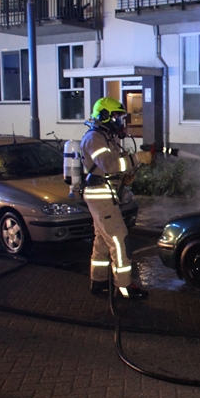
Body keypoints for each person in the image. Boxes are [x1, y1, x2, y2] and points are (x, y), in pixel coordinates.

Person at [81, 97, 152, 299]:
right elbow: (109, 165)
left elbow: (111, 168)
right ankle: (124, 285)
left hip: (104, 193)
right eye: (117, 116)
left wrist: (124, 177)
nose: (120, 121)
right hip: (100, 195)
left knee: (102, 241)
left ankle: (99, 281)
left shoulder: (105, 136)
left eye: (121, 116)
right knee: (119, 240)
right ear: (104, 116)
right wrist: (138, 157)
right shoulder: (94, 138)